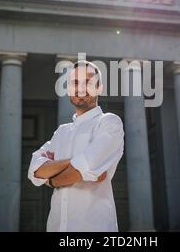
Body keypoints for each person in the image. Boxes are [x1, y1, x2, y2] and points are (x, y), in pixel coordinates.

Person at [28, 60, 125, 232]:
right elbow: (35, 170)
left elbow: (78, 171)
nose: (80, 88)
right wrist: (75, 162)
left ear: (100, 88)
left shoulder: (109, 123)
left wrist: (52, 180)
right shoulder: (61, 132)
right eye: (74, 82)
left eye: (88, 82)